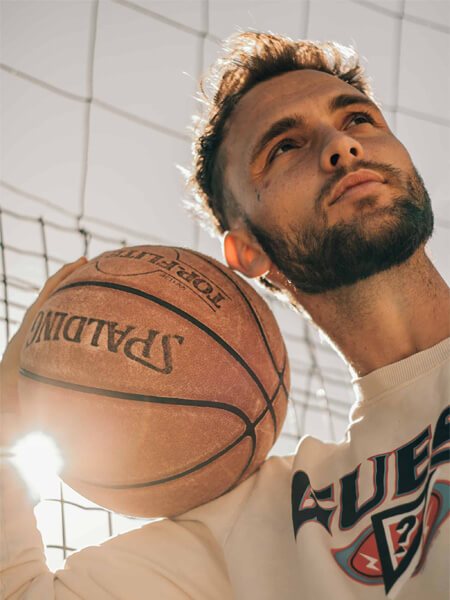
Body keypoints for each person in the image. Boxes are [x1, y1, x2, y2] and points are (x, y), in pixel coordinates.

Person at [1, 32, 448, 600]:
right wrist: (9, 406)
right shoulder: (267, 520)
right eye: (284, 147)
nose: (342, 146)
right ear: (249, 253)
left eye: (358, 119)